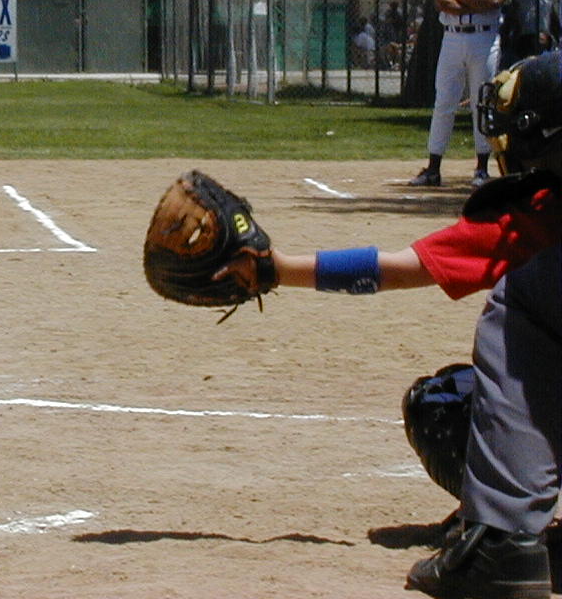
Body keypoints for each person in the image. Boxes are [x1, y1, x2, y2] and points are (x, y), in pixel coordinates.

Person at [239, 51, 561, 598]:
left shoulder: (532, 215)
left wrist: (276, 270)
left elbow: (399, 268)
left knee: (446, 403)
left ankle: (503, 538)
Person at [410, 0, 510, 189]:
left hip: (484, 39)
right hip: (452, 38)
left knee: (482, 104)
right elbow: (441, 2)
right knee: (444, 102)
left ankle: (481, 169)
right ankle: (433, 168)